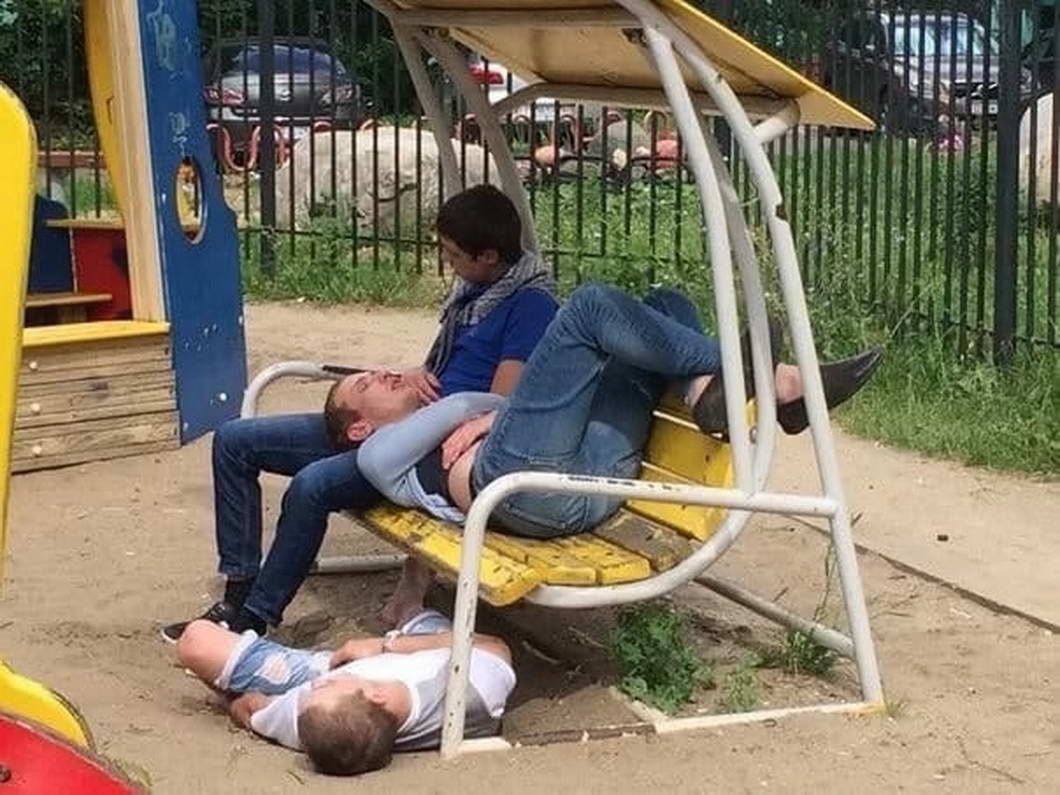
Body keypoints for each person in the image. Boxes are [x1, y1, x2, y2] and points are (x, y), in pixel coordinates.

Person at [325, 283, 881, 618]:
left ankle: (705, 391)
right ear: (358, 428)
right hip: (518, 488)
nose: (383, 374)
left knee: (666, 303)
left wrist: (492, 415)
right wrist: (487, 414)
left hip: (593, 482)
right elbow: (473, 402)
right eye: (364, 384)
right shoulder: (377, 456)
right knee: (590, 307)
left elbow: (485, 404)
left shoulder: (426, 433)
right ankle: (772, 379)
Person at [162, 185, 559, 642]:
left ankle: (255, 616)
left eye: (453, 255)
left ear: (488, 255)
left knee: (313, 485)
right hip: (401, 419)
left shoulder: (530, 305)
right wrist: (416, 375)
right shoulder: (477, 292)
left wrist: (430, 416)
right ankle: (239, 589)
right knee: (234, 441)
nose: (447, 262)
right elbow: (449, 370)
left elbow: (498, 403)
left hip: (424, 451)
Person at [175, 607, 515, 776]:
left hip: (329, 664)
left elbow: (248, 708)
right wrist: (387, 646)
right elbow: (495, 646)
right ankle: (409, 605)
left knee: (196, 642)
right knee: (428, 620)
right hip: (421, 649)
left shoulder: (309, 724)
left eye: (313, 691)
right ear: (376, 695)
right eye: (327, 687)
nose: (314, 688)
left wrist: (233, 702)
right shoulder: (472, 692)